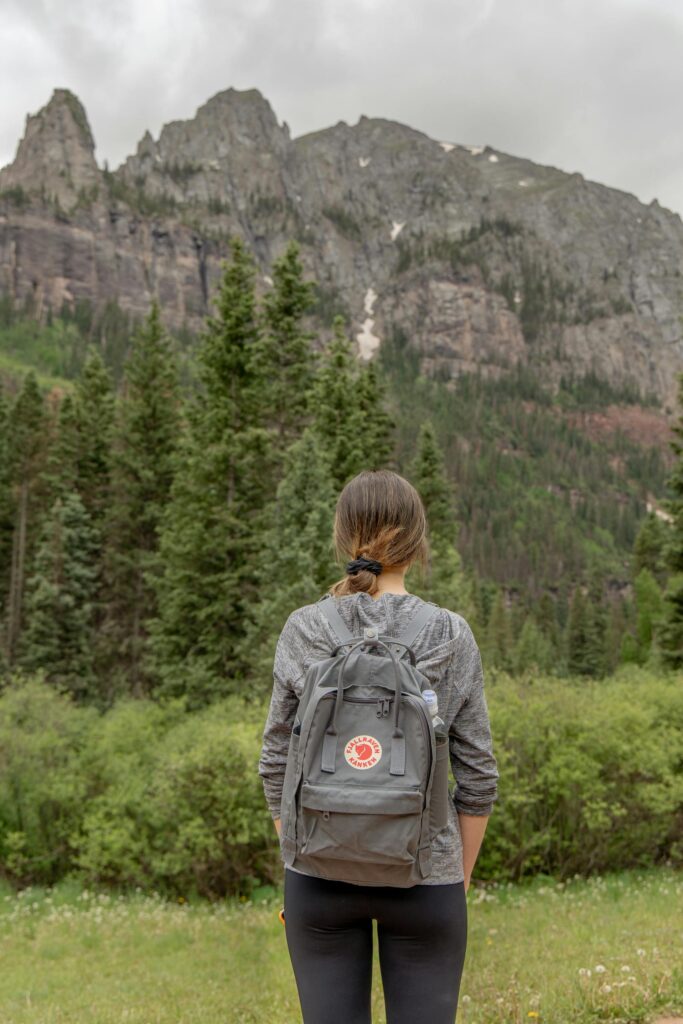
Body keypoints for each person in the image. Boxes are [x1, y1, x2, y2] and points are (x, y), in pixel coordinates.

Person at [258, 469, 499, 1024]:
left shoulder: (304, 628)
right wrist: (453, 877)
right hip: (424, 877)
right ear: (417, 543)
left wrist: (301, 853)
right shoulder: (449, 633)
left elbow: (275, 763)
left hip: (317, 881)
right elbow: (478, 773)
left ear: (344, 538)